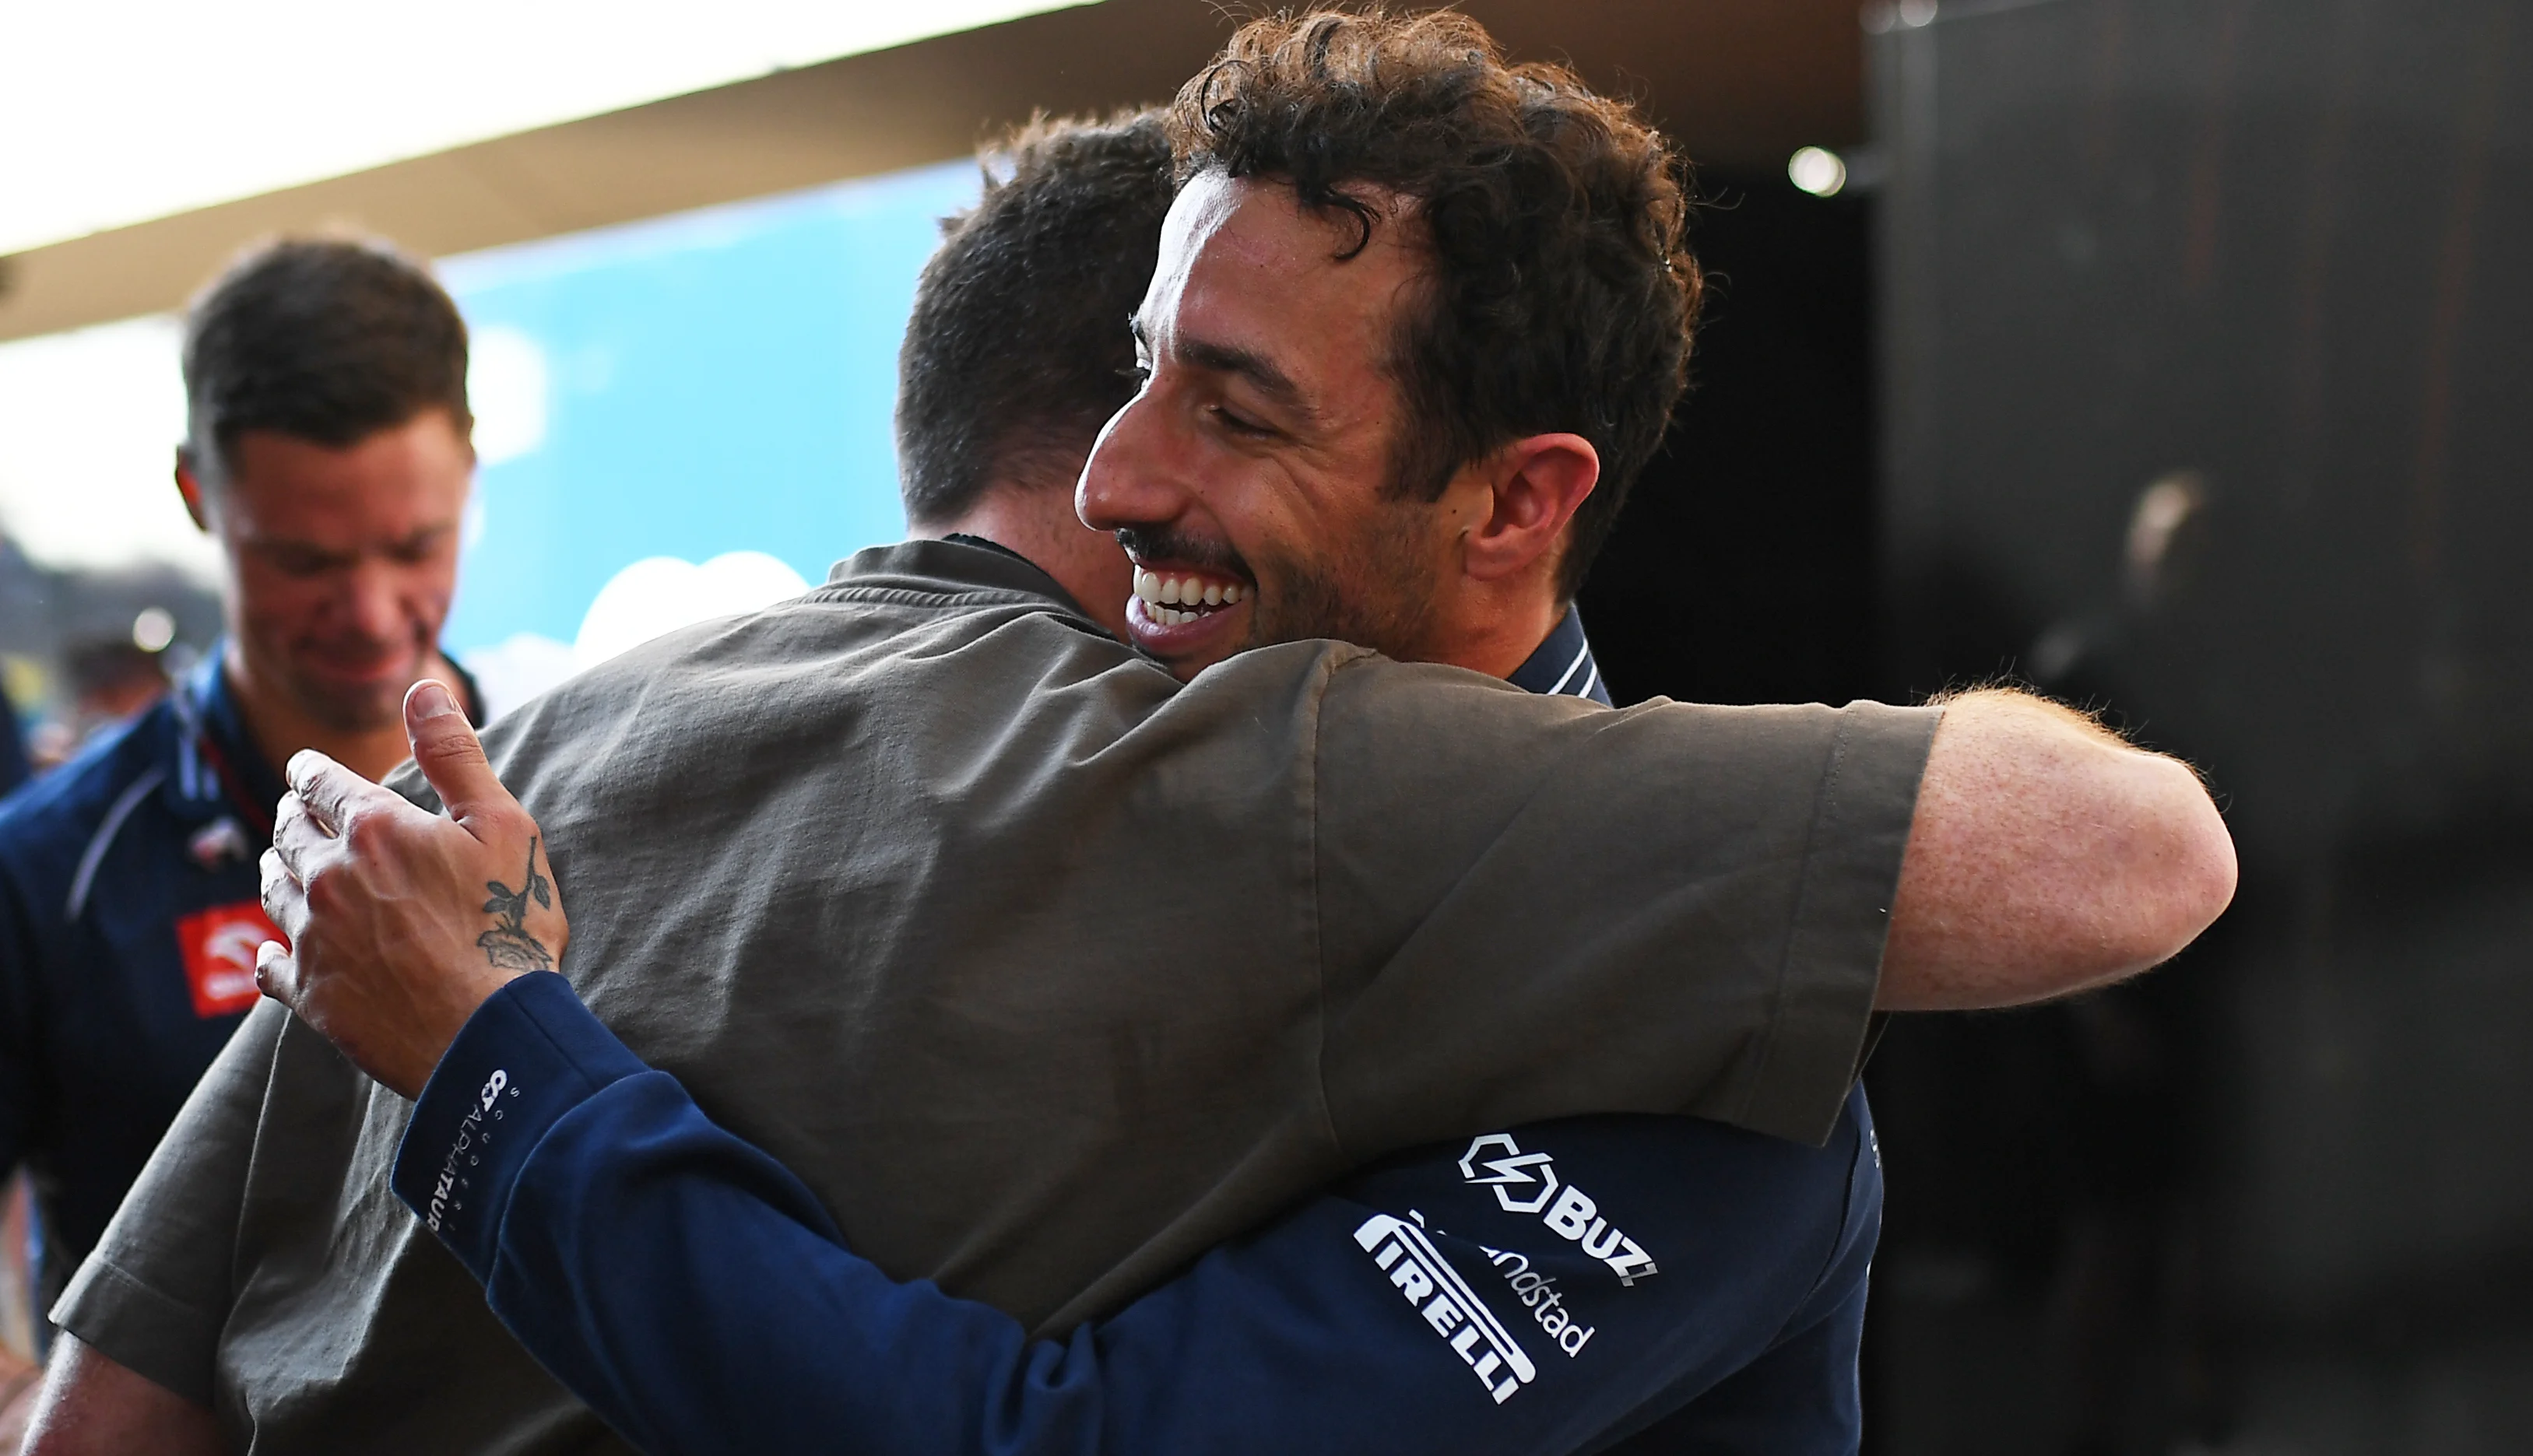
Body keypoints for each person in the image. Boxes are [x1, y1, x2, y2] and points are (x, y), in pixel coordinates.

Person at [37, 16, 2233, 1456]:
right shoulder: (1008, 796)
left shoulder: (1698, 1058)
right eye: (1133, 373)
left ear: (1516, 499)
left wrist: (514, 1066)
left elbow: (2126, 854)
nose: (1117, 478)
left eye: (1233, 406)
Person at [0, 238, 484, 1427]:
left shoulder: (586, 789)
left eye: (414, 545)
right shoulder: (51, 867)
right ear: (197, 496)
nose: (374, 614)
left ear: (471, 470)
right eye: (303, 561)